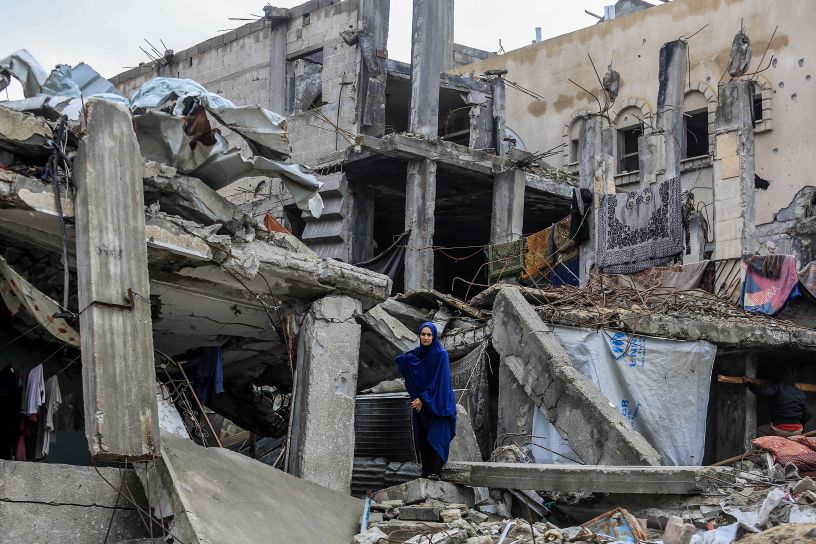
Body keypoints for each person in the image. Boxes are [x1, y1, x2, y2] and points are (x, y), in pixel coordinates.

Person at [394, 322, 457, 480]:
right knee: (422, 437)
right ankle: (426, 471)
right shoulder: (419, 353)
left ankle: (436, 471)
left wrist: (422, 398)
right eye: (423, 334)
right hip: (422, 404)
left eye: (429, 335)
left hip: (439, 403)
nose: (426, 337)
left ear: (434, 336)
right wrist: (417, 397)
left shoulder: (441, 354)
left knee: (437, 436)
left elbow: (439, 381)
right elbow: (403, 361)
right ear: (419, 335)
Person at [746, 365, 812, 437]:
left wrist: (749, 383)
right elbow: (808, 414)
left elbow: (762, 392)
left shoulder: (778, 387)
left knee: (758, 430)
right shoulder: (800, 393)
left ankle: (775, 445)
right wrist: (799, 423)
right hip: (797, 431)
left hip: (780, 429)